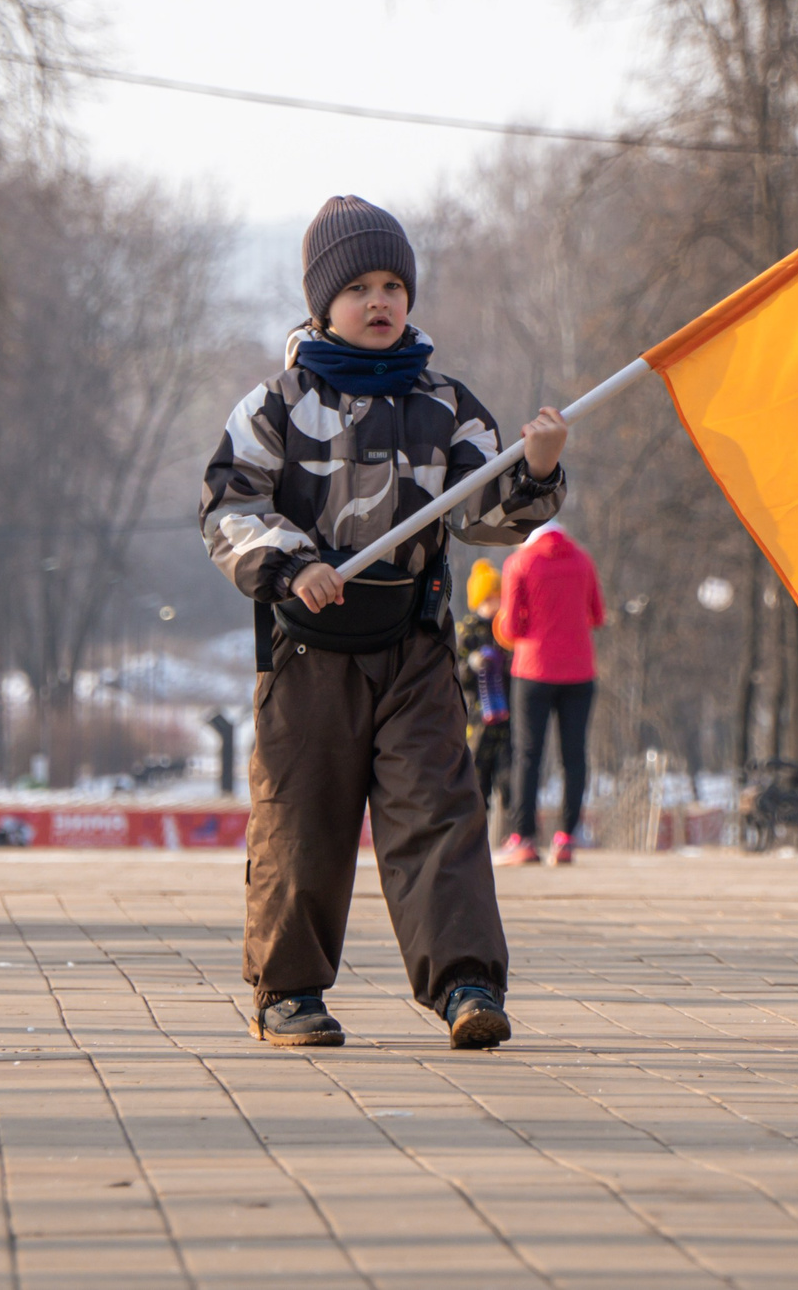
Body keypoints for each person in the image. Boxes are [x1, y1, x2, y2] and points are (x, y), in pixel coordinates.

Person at [201, 195, 567, 1050]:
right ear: (321, 302)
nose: (379, 301)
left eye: (394, 285)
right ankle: (288, 991)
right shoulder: (277, 405)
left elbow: (486, 512)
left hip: (413, 647)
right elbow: (229, 505)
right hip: (307, 648)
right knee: (301, 819)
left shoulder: (446, 406)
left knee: (439, 808)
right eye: (359, 286)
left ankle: (465, 980)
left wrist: (537, 472)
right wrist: (292, 564)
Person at [494, 520, 604, 866]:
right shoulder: (583, 560)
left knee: (527, 754)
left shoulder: (520, 564)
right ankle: (567, 838)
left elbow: (511, 628)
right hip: (579, 670)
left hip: (533, 671)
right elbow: (597, 615)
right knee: (574, 756)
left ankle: (523, 838)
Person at [457, 560, 514, 825]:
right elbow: (454, 671)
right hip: (477, 721)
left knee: (509, 776)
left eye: (497, 599)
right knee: (477, 780)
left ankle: (513, 831)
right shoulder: (466, 630)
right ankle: (475, 833)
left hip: (507, 717)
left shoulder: (505, 629)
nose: (494, 606)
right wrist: (472, 665)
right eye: (488, 599)